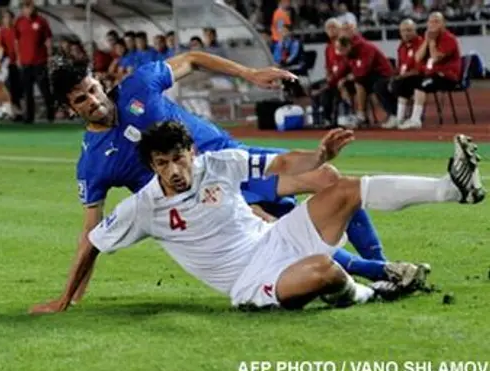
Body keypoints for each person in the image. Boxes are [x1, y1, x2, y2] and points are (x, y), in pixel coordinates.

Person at [46, 51, 426, 303]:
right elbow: (91, 231)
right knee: (272, 227)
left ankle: (383, 268)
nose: (93, 101)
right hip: (203, 198)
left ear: (98, 80)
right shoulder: (93, 162)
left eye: (93, 89)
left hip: (236, 158)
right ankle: (381, 275)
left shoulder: (140, 84)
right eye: (81, 99)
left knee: (328, 176)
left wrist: (249, 74)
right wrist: (73, 295)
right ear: (69, 107)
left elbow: (193, 59)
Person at [30, 123, 484, 314]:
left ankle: (452, 188)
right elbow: (93, 240)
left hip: (278, 238)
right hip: (251, 279)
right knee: (325, 271)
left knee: (338, 186)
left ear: (192, 153)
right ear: (153, 166)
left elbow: (282, 164)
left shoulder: (220, 162)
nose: (175, 170)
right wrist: (64, 298)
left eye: (180, 158)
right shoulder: (143, 207)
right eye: (164, 162)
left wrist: (318, 154)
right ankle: (369, 291)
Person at [398, 12, 462, 130]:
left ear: (443, 24)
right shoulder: (427, 38)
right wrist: (427, 41)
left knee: (421, 84)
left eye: (436, 21)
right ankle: (399, 119)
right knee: (405, 83)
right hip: (431, 74)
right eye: (430, 22)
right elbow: (417, 58)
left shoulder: (449, 39)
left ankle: (415, 120)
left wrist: (431, 42)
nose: (433, 24)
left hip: (447, 76)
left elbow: (435, 58)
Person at [335, 34, 394, 128]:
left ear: (348, 46)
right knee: (343, 85)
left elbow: (364, 70)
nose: (340, 52)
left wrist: (349, 77)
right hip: (368, 76)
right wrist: (339, 80)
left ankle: (361, 115)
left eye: (341, 49)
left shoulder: (366, 48)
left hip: (382, 74)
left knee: (359, 82)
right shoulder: (348, 53)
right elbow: (341, 71)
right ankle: (352, 114)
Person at [377, 19, 424, 129]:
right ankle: (394, 114)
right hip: (403, 76)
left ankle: (405, 117)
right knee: (380, 85)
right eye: (403, 31)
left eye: (409, 30)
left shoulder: (421, 44)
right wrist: (394, 76)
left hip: (416, 76)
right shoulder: (402, 46)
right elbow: (399, 66)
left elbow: (419, 68)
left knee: (398, 84)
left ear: (415, 31)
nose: (406, 33)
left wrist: (399, 77)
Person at [14, 0, 55, 123]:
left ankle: (50, 114)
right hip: (26, 62)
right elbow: (16, 41)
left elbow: (48, 40)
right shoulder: (19, 22)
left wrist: (49, 56)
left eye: (29, 7)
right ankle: (29, 116)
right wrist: (18, 58)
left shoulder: (41, 21)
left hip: (39, 61)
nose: (27, 9)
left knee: (44, 89)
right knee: (27, 91)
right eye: (25, 7)